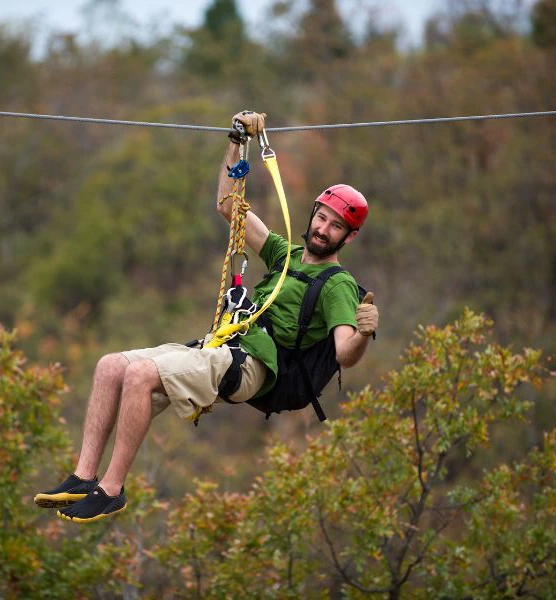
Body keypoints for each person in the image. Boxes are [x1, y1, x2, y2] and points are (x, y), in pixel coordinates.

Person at [34, 111, 380, 523]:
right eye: (322, 217)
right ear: (313, 214)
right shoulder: (284, 255)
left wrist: (363, 332)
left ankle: (111, 489)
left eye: (335, 226)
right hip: (224, 345)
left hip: (255, 365)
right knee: (111, 367)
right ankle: (83, 476)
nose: (323, 229)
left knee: (141, 374)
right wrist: (235, 140)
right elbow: (227, 205)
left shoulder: (337, 284)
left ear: (349, 236)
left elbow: (344, 353)